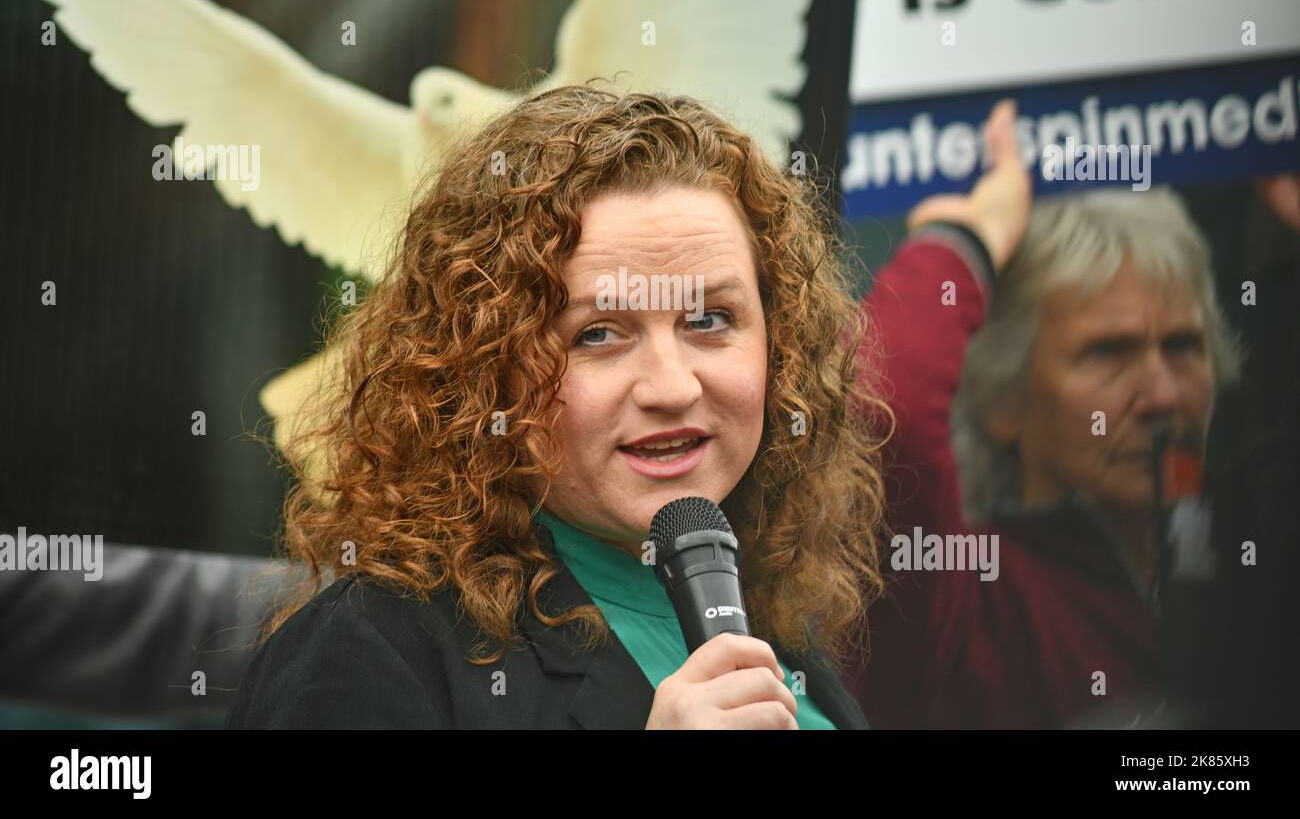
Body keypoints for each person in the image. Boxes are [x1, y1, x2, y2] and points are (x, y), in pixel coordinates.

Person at [226, 84, 891, 729]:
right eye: (597, 333)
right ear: (485, 370)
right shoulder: (367, 652)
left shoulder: (768, 621)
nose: (672, 387)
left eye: (710, 318)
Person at [846, 100, 1246, 728]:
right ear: (1003, 398)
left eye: (1183, 346)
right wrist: (962, 241)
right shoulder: (967, 598)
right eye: (1108, 352)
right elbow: (881, 410)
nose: (1164, 395)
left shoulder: (1260, 568)